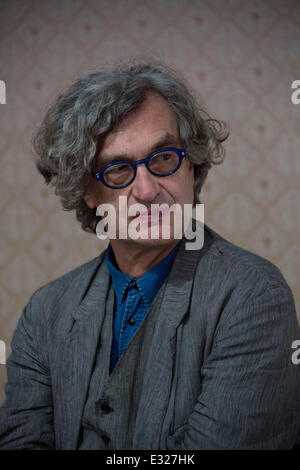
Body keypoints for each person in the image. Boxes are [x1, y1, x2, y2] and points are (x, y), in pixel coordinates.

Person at [0, 59, 299, 450]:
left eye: (162, 159)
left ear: (190, 165)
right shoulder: (44, 312)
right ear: (87, 191)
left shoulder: (253, 295)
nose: (146, 190)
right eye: (119, 170)